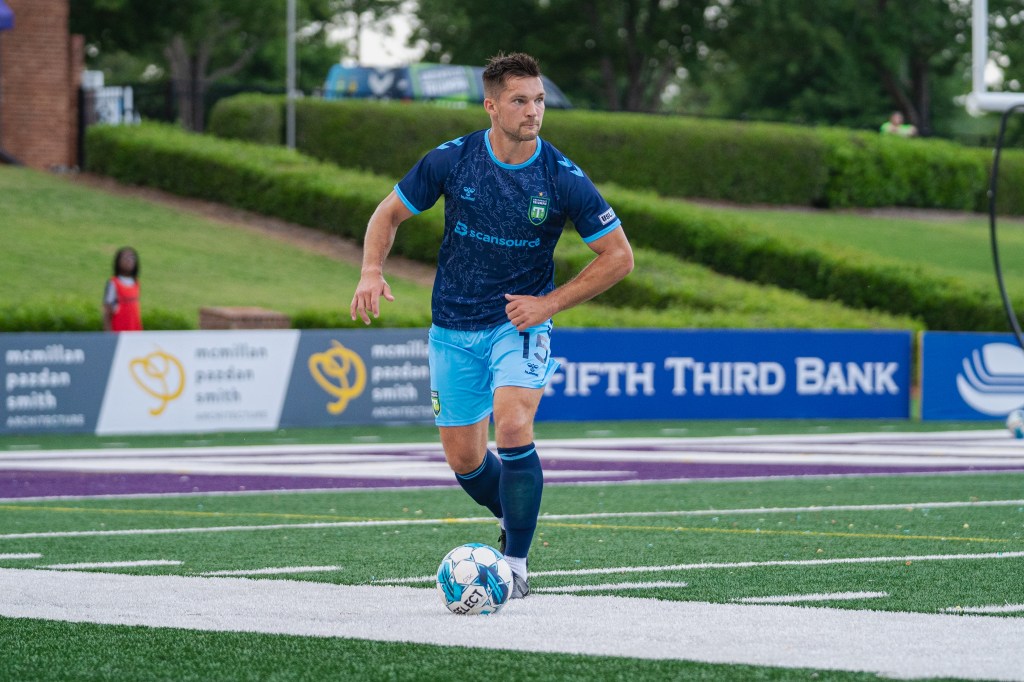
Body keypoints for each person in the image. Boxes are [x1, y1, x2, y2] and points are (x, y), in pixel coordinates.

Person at [350, 52, 633, 598]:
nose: (534, 112)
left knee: (512, 425)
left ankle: (517, 564)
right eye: (520, 101)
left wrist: (548, 305)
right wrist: (369, 270)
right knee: (464, 459)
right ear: (491, 105)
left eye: (540, 100)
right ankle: (514, 512)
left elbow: (619, 257)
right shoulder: (451, 160)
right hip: (452, 324)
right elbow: (388, 213)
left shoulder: (562, 176)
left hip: (518, 324)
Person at [103, 246, 143, 332]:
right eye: (125, 257)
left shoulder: (136, 283)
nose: (129, 260)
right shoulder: (114, 283)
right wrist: (108, 334)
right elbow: (107, 311)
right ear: (118, 261)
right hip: (118, 332)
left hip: (135, 332)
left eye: (132, 257)